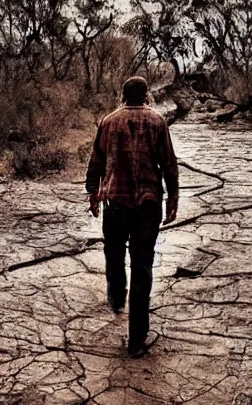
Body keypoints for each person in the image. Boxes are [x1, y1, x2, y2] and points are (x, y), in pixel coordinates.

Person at [85, 76, 179, 358]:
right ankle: (136, 339)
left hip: (116, 202)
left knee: (113, 253)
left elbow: (96, 162)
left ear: (122, 95)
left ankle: (116, 298)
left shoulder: (108, 121)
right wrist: (173, 197)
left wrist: (93, 193)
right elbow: (169, 163)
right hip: (148, 204)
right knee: (142, 265)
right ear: (146, 95)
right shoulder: (158, 122)